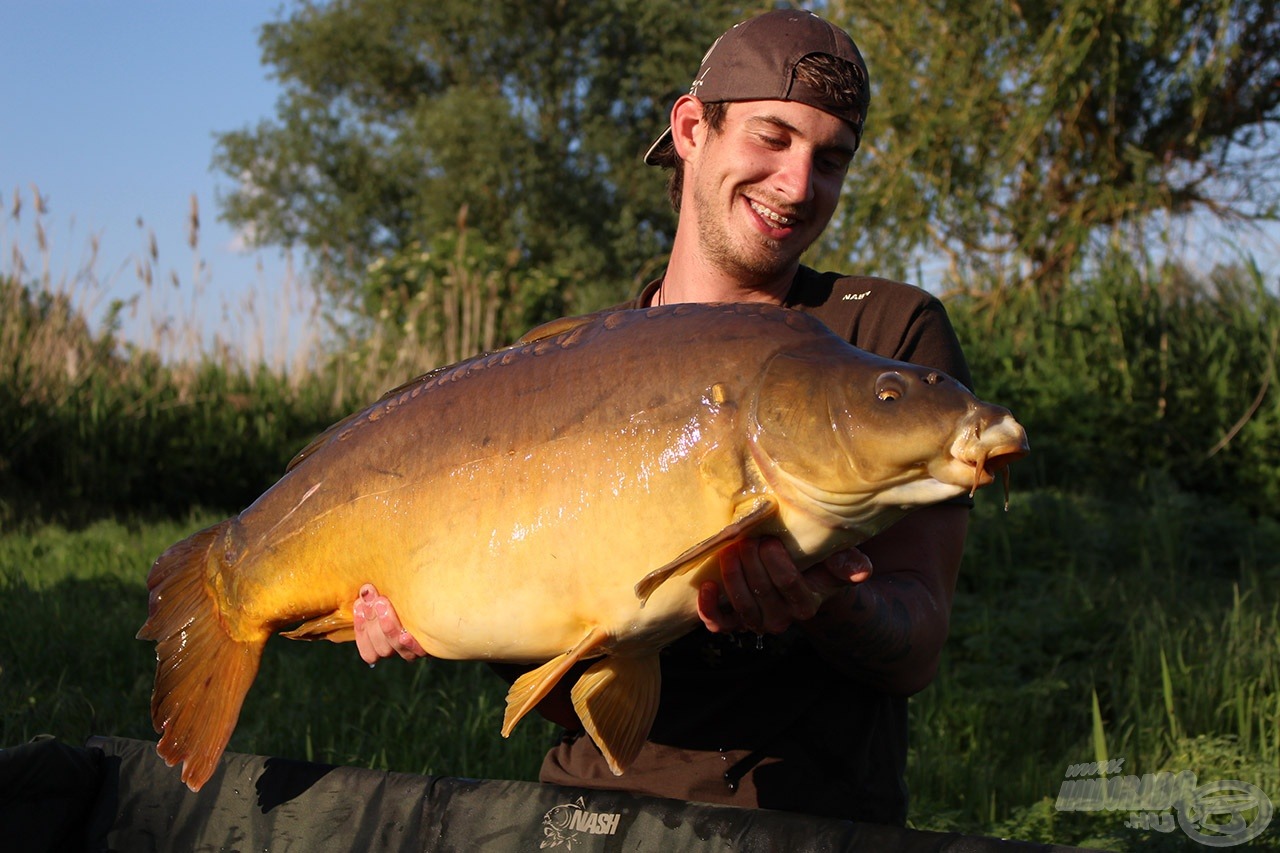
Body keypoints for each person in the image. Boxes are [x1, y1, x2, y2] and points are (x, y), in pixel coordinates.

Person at [352, 9, 972, 825]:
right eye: (772, 137)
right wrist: (428, 617)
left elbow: (918, 641)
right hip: (590, 806)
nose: (797, 184)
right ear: (691, 127)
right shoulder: (565, 369)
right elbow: (551, 682)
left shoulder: (881, 342)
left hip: (814, 816)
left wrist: (827, 600)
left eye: (831, 159)